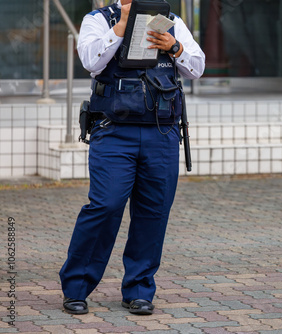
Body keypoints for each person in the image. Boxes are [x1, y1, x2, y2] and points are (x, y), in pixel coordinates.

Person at [59, 0, 205, 315]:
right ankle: (76, 287)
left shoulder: (169, 21)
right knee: (105, 204)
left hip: (161, 133)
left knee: (154, 212)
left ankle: (139, 290)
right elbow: (90, 61)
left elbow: (197, 67)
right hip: (113, 132)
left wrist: (175, 46)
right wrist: (121, 28)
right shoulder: (98, 19)